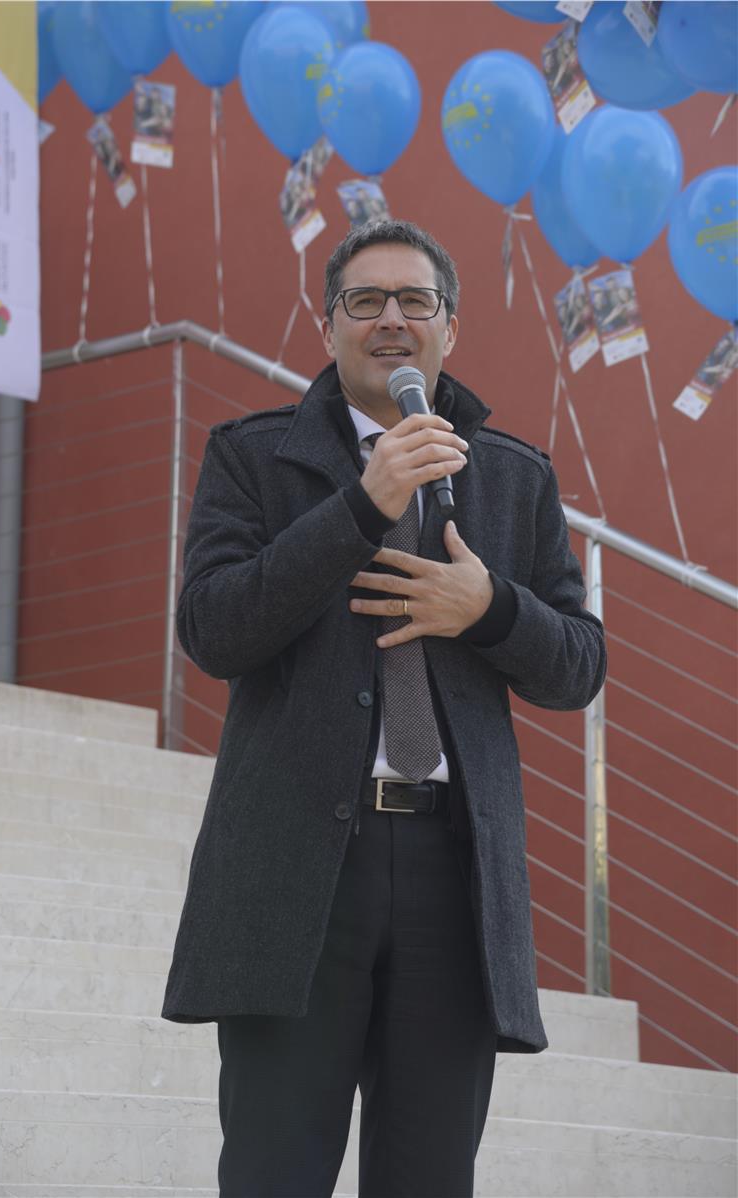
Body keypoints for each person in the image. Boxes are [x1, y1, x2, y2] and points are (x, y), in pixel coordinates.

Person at [162, 220, 607, 1197]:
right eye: (365, 301)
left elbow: (577, 667)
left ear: (451, 327)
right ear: (327, 326)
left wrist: (487, 609)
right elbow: (213, 630)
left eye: (416, 300)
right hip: (295, 876)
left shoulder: (515, 477)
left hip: (455, 872)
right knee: (274, 1174)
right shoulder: (251, 457)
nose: (392, 319)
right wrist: (361, 506)